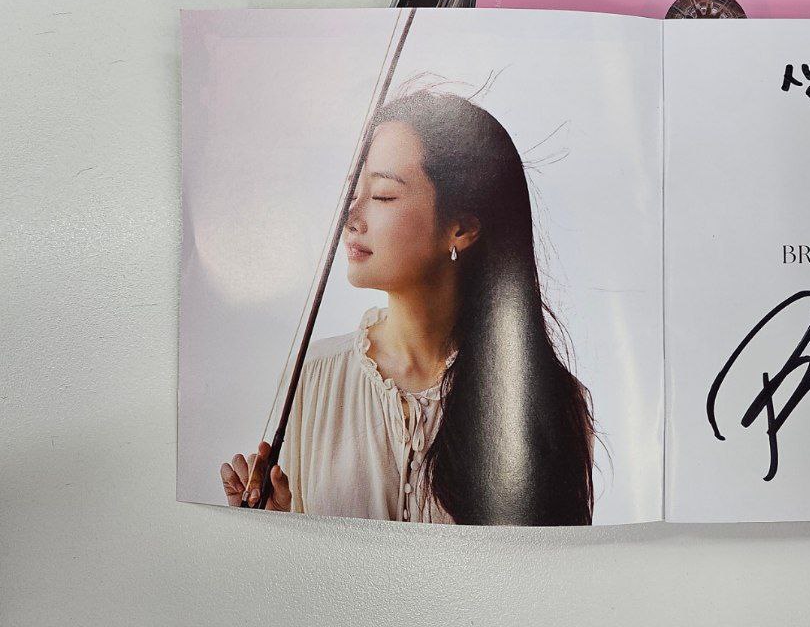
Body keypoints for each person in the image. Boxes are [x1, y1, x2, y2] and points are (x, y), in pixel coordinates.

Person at [220, 89, 595, 524]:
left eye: (382, 195)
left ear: (461, 228)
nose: (350, 217)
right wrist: (272, 527)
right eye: (353, 191)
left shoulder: (547, 399)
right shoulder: (312, 376)